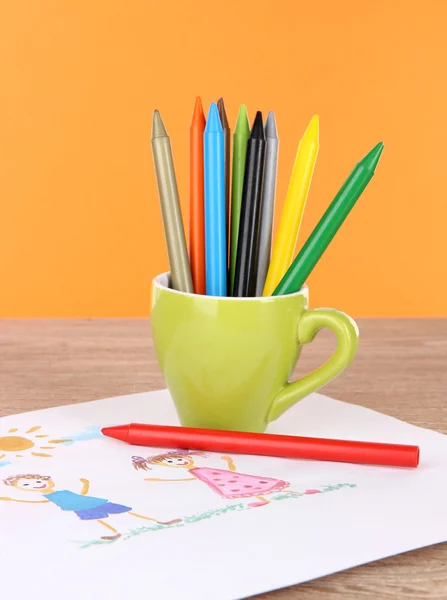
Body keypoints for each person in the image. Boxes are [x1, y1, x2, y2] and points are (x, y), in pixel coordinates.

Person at [1, 473, 181, 540]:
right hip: (82, 508)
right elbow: (38, 502)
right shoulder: (47, 496)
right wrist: (14, 501)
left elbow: (82, 492)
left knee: (130, 512)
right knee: (100, 521)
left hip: (95, 501)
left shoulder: (61, 489)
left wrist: (85, 483)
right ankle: (114, 533)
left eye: (37, 481)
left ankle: (160, 520)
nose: (36, 485)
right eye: (26, 485)